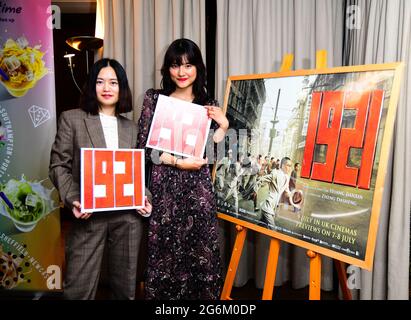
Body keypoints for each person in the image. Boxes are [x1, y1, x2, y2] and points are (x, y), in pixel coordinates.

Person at [49, 58, 152, 300]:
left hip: (128, 218)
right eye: (100, 81)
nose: (107, 88)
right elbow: (58, 166)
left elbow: (138, 172)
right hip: (88, 215)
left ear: (121, 88)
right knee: (78, 289)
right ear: (91, 86)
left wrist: (145, 199)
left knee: (125, 290)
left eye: (113, 82)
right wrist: (74, 198)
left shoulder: (133, 128)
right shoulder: (72, 119)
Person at [137, 38, 229, 300]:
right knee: (164, 258)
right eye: (175, 65)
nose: (181, 72)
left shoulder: (207, 105)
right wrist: (178, 162)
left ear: (198, 68)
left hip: (198, 193)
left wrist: (223, 127)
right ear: (168, 69)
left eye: (188, 65)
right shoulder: (154, 100)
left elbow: (213, 156)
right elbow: (144, 149)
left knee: (200, 258)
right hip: (164, 191)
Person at [254, 157, 293, 229]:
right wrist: (255, 191)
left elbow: (287, 191)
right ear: (283, 165)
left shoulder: (287, 177)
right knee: (273, 229)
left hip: (273, 207)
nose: (290, 168)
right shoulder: (275, 173)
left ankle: (250, 233)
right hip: (268, 207)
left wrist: (293, 197)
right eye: (288, 165)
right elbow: (261, 179)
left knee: (261, 225)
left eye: (291, 166)